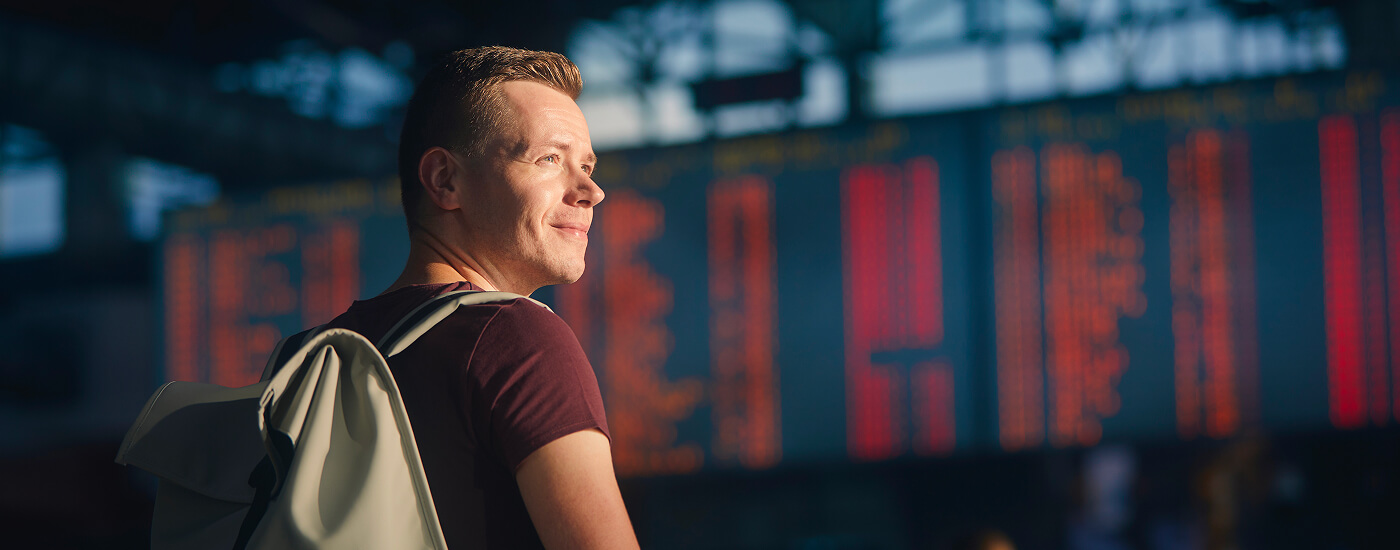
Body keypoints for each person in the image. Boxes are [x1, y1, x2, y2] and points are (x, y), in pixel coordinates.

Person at [320, 46, 638, 550]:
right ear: (445, 180)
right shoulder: (517, 339)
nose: (590, 191)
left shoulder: (309, 356)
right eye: (550, 159)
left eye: (587, 165)